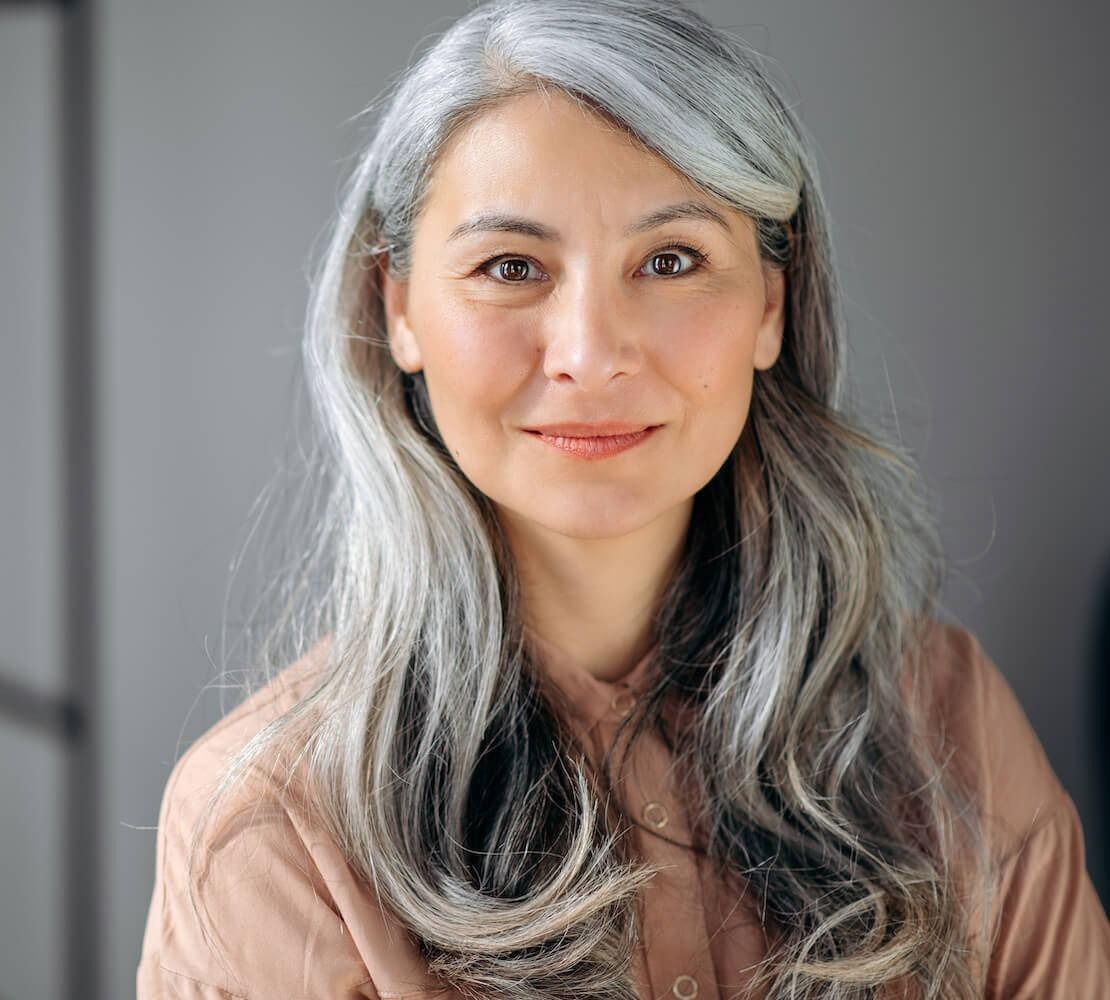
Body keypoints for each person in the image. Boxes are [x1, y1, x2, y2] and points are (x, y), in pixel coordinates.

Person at [136, 1, 1110, 996]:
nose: (591, 354)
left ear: (771, 301)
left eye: (671, 261)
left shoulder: (948, 717)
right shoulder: (270, 825)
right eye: (511, 267)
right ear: (398, 307)